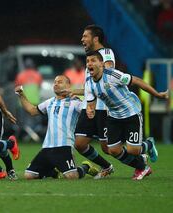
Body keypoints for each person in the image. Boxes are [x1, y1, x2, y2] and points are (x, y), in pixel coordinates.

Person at [85, 51, 167, 180]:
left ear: (101, 64)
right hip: (113, 117)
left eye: (93, 60)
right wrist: (90, 111)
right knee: (113, 150)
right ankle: (142, 167)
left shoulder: (113, 75)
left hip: (131, 113)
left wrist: (157, 94)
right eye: (87, 61)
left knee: (133, 150)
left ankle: (149, 145)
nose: (89, 63)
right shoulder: (89, 83)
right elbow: (91, 105)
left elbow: (137, 81)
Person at [16, 75, 99, 180]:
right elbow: (32, 110)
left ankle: (86, 167)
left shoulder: (76, 102)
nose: (56, 84)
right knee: (29, 176)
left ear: (68, 85)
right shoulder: (49, 102)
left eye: (60, 82)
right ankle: (54, 172)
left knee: (71, 177)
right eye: (55, 82)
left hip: (64, 147)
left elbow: (90, 109)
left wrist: (79, 93)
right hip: (47, 147)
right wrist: (21, 94)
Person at [71, 25, 116, 179]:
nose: (82, 39)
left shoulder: (106, 53)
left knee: (108, 148)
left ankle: (143, 150)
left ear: (95, 38)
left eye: (85, 36)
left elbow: (108, 73)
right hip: (89, 106)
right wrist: (71, 91)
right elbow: (89, 87)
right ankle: (106, 166)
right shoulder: (91, 59)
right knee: (80, 143)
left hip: (103, 107)